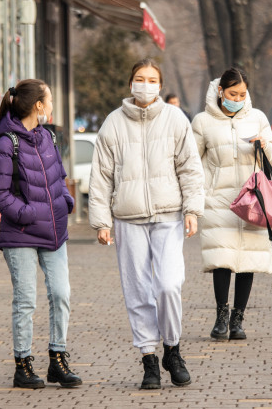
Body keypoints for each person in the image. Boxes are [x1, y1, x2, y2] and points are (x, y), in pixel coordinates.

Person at [89, 59, 204, 390]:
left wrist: (192, 210)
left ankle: (173, 348)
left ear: (160, 85)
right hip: (128, 218)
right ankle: (149, 359)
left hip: (169, 215)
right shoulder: (113, 123)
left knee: (168, 284)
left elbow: (190, 168)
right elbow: (101, 177)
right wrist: (100, 221)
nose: (145, 84)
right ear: (130, 84)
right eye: (139, 78)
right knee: (137, 290)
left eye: (152, 79)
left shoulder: (175, 119)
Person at [0, 79, 81, 389]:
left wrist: (66, 200)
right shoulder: (6, 143)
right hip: (22, 234)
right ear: (38, 105)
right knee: (26, 300)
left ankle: (58, 359)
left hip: (54, 232)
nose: (51, 104)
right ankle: (23, 365)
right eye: (49, 99)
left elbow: (59, 174)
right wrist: (28, 214)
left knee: (61, 294)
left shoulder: (47, 136)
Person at [192, 68, 272, 342]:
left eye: (242, 94)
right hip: (219, 199)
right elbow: (192, 160)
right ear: (220, 91)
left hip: (253, 199)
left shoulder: (258, 118)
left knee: (248, 260)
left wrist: (263, 145)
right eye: (232, 94)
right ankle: (221, 317)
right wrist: (201, 194)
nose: (238, 99)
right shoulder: (203, 121)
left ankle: (237, 319)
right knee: (222, 260)